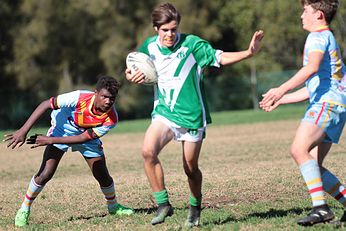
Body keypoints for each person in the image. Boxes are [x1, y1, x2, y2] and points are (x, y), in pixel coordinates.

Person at [125, 2, 264, 227]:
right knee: (147, 152)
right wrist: (131, 75)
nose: (170, 34)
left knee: (190, 167)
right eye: (165, 30)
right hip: (164, 112)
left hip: (191, 116)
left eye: (174, 29)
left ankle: (195, 207)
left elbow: (220, 58)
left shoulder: (193, 45)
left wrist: (249, 52)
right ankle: (163, 205)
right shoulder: (149, 47)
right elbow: (133, 66)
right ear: (155, 29)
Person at [4, 76, 134, 227]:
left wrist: (50, 140)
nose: (108, 101)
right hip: (62, 130)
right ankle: (24, 209)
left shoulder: (111, 119)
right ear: (95, 93)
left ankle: (113, 207)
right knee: (46, 173)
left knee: (102, 174)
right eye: (104, 96)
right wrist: (23, 130)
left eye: (112, 98)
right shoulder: (79, 97)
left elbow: (83, 138)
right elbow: (46, 104)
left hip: (85, 137)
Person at [260, 0, 346, 226]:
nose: (301, 16)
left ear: (318, 15)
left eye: (305, 11)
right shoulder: (328, 37)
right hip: (335, 106)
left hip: (326, 106)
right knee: (313, 166)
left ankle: (320, 208)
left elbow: (311, 68)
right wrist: (282, 99)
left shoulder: (317, 37)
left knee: (298, 150)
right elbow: (312, 88)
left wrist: (280, 89)